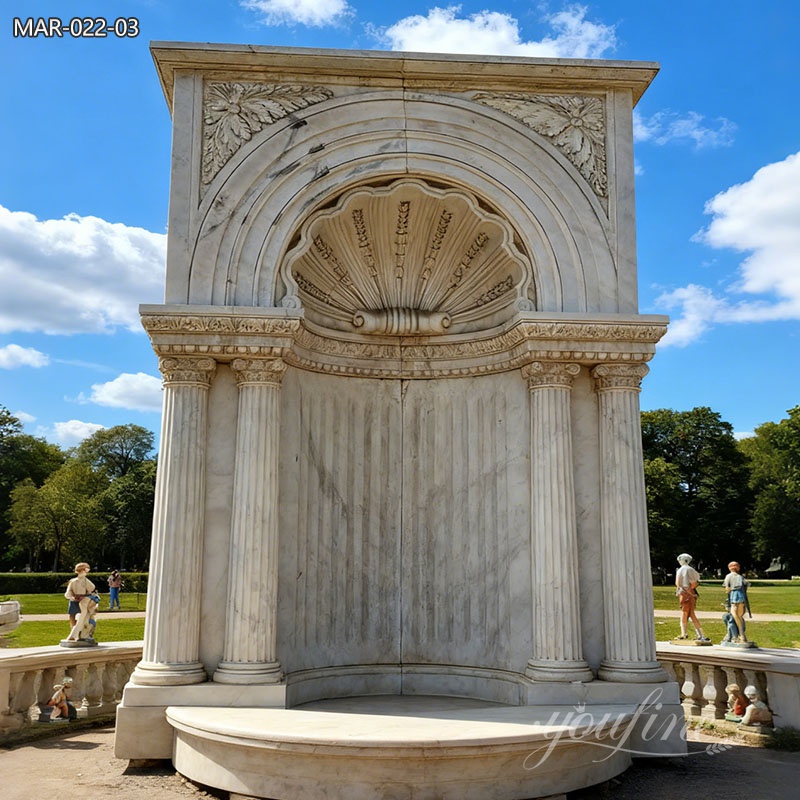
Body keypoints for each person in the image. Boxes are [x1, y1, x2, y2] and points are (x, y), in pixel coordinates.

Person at [674, 553, 710, 641]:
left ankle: (685, 633)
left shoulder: (681, 570)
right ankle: (700, 634)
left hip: (684, 593)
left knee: (685, 613)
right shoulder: (691, 570)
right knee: (690, 613)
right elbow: (696, 582)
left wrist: (686, 591)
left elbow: (677, 583)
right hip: (690, 593)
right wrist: (691, 591)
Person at [723, 561, 750, 643]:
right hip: (742, 597)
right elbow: (746, 586)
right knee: (739, 616)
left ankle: (741, 634)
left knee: (734, 614)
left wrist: (729, 590)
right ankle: (740, 635)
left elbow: (727, 588)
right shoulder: (740, 577)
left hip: (734, 596)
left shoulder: (728, 576)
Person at [64, 563, 95, 631]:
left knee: (85, 615)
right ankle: (73, 629)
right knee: (72, 615)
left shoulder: (85, 581)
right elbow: (69, 590)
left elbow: (91, 588)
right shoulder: (73, 581)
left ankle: (83, 630)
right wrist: (70, 597)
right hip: (74, 599)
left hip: (83, 600)